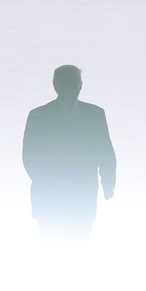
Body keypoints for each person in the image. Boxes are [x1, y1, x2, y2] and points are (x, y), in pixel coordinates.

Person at [23, 65, 116, 243]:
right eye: (66, 83)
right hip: (50, 194)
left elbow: (105, 151)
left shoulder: (95, 114)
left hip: (83, 192)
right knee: (52, 243)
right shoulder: (38, 116)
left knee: (80, 243)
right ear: (55, 86)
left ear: (80, 85)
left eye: (74, 83)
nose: (71, 87)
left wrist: (108, 183)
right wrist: (47, 181)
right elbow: (29, 155)